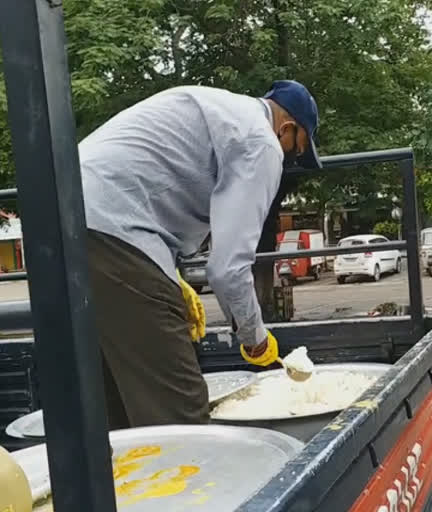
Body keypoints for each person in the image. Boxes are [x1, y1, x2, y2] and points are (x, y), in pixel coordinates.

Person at [80, 80, 321, 429]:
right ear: (287, 127)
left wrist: (171, 279)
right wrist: (254, 339)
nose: (288, 158)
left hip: (65, 218)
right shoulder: (261, 142)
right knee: (180, 409)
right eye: (295, 150)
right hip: (115, 229)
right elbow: (227, 269)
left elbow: (148, 183)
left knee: (115, 405)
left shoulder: (216, 106)